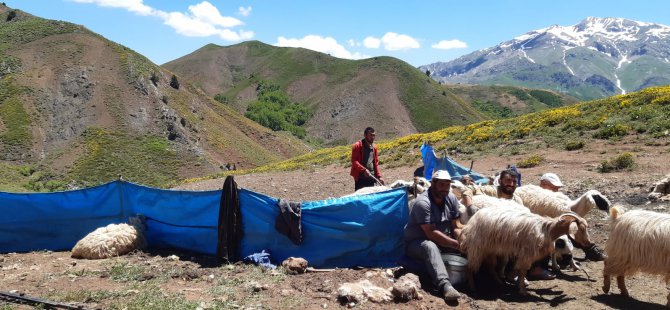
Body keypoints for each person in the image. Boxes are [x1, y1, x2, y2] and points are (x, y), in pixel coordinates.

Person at [404, 170, 472, 302]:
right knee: (430, 246)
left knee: (468, 244)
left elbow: (455, 225)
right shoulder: (423, 203)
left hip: (443, 240)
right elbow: (431, 233)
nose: (445, 189)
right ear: (433, 184)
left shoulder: (450, 198)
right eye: (441, 185)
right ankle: (445, 285)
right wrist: (456, 245)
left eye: (447, 185)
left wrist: (462, 239)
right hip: (417, 243)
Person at [539, 172, 607, 261]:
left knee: (575, 229)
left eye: (557, 188)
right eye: (554, 187)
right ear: (543, 183)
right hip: (543, 230)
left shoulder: (559, 197)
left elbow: (569, 209)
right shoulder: (535, 197)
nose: (556, 190)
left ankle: (591, 251)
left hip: (558, 228)